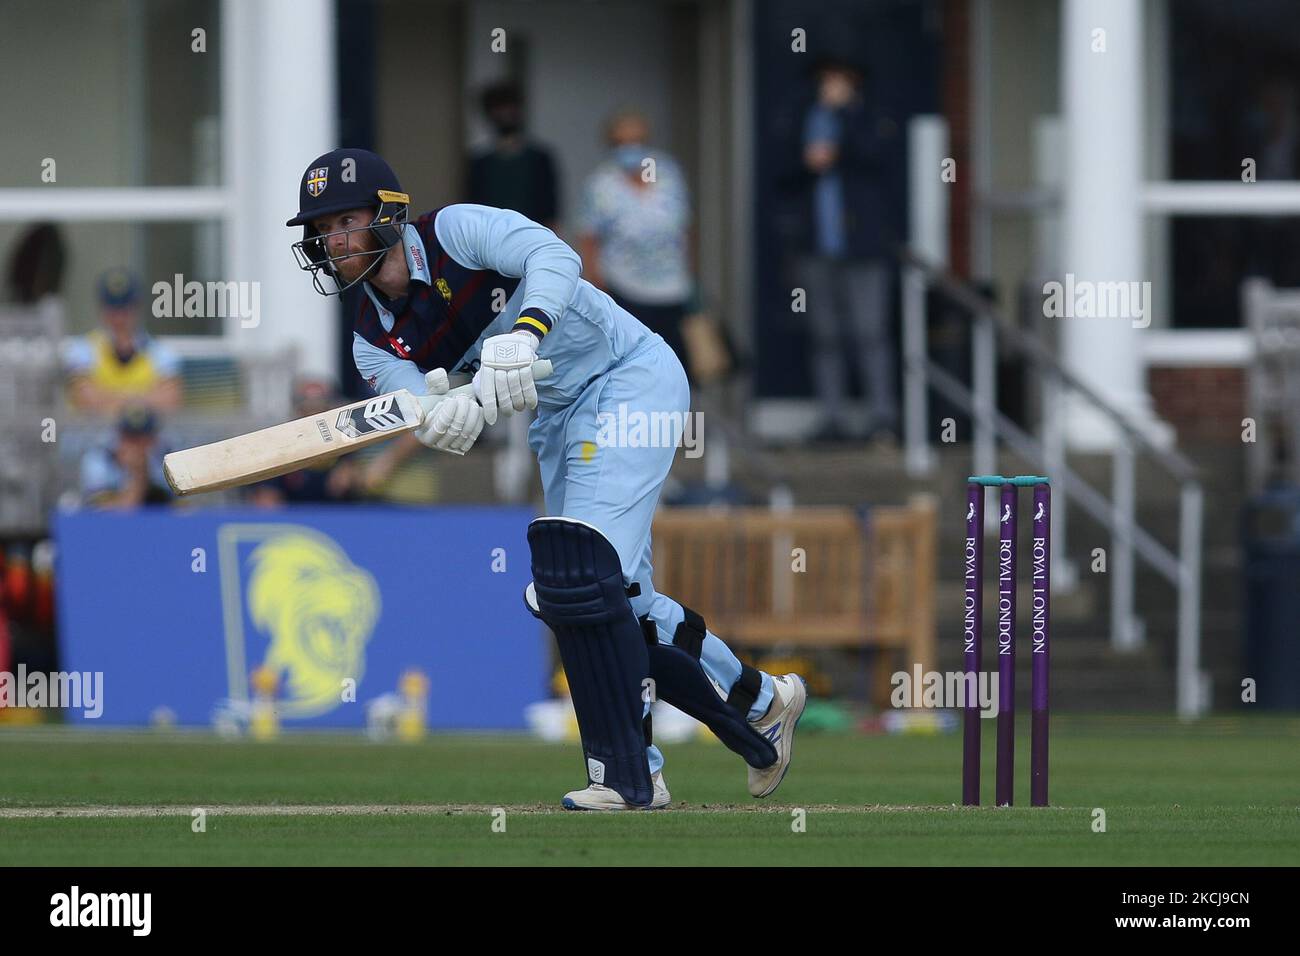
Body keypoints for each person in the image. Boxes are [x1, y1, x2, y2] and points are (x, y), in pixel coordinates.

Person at [287, 147, 806, 810]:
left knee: (584, 576)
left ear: (387, 214)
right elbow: (426, 408)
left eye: (344, 222)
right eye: (322, 229)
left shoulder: (455, 231)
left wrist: (526, 331)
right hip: (562, 417)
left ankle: (629, 775)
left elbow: (555, 258)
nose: (332, 240)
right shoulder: (371, 340)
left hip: (628, 378)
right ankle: (762, 702)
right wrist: (445, 416)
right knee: (612, 596)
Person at [795, 57, 899, 442]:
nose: (831, 87)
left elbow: (877, 155)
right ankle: (832, 418)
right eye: (826, 80)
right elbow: (781, 172)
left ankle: (882, 418)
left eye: (840, 80)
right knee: (825, 335)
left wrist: (842, 123)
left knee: (870, 332)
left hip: (863, 247)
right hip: (817, 247)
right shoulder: (803, 118)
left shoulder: (871, 117)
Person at [577, 109, 695, 376]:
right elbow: (589, 237)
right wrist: (598, 290)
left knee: (676, 366)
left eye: (637, 141)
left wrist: (690, 275)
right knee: (632, 366)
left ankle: (678, 417)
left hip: (672, 287)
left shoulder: (666, 173)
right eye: (622, 143)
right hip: (625, 287)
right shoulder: (602, 184)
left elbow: (685, 227)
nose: (631, 149)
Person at [247, 377, 419, 506]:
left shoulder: (348, 440)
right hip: (295, 521)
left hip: (342, 518)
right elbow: (267, 499)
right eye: (307, 408)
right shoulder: (281, 446)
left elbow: (366, 481)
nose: (314, 414)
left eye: (321, 407)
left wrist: (355, 479)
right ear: (298, 410)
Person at [63, 268, 182, 416]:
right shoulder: (80, 349)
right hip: (91, 437)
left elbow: (169, 402)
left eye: (125, 309)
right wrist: (143, 400)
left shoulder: (162, 352)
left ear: (137, 307)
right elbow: (87, 401)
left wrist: (108, 398)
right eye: (113, 309)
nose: (119, 318)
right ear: (101, 309)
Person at [466, 80, 560, 231]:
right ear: (488, 113)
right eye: (498, 108)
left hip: (533, 237)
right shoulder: (479, 164)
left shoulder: (540, 159)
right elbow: (471, 211)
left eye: (510, 107)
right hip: (488, 241)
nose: (505, 113)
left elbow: (551, 212)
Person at [80, 405, 172, 509]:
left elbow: (180, 510)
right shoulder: (99, 459)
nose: (137, 447)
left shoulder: (167, 457)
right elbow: (103, 512)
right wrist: (138, 475)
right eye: (131, 439)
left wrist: (142, 471)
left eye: (144, 440)